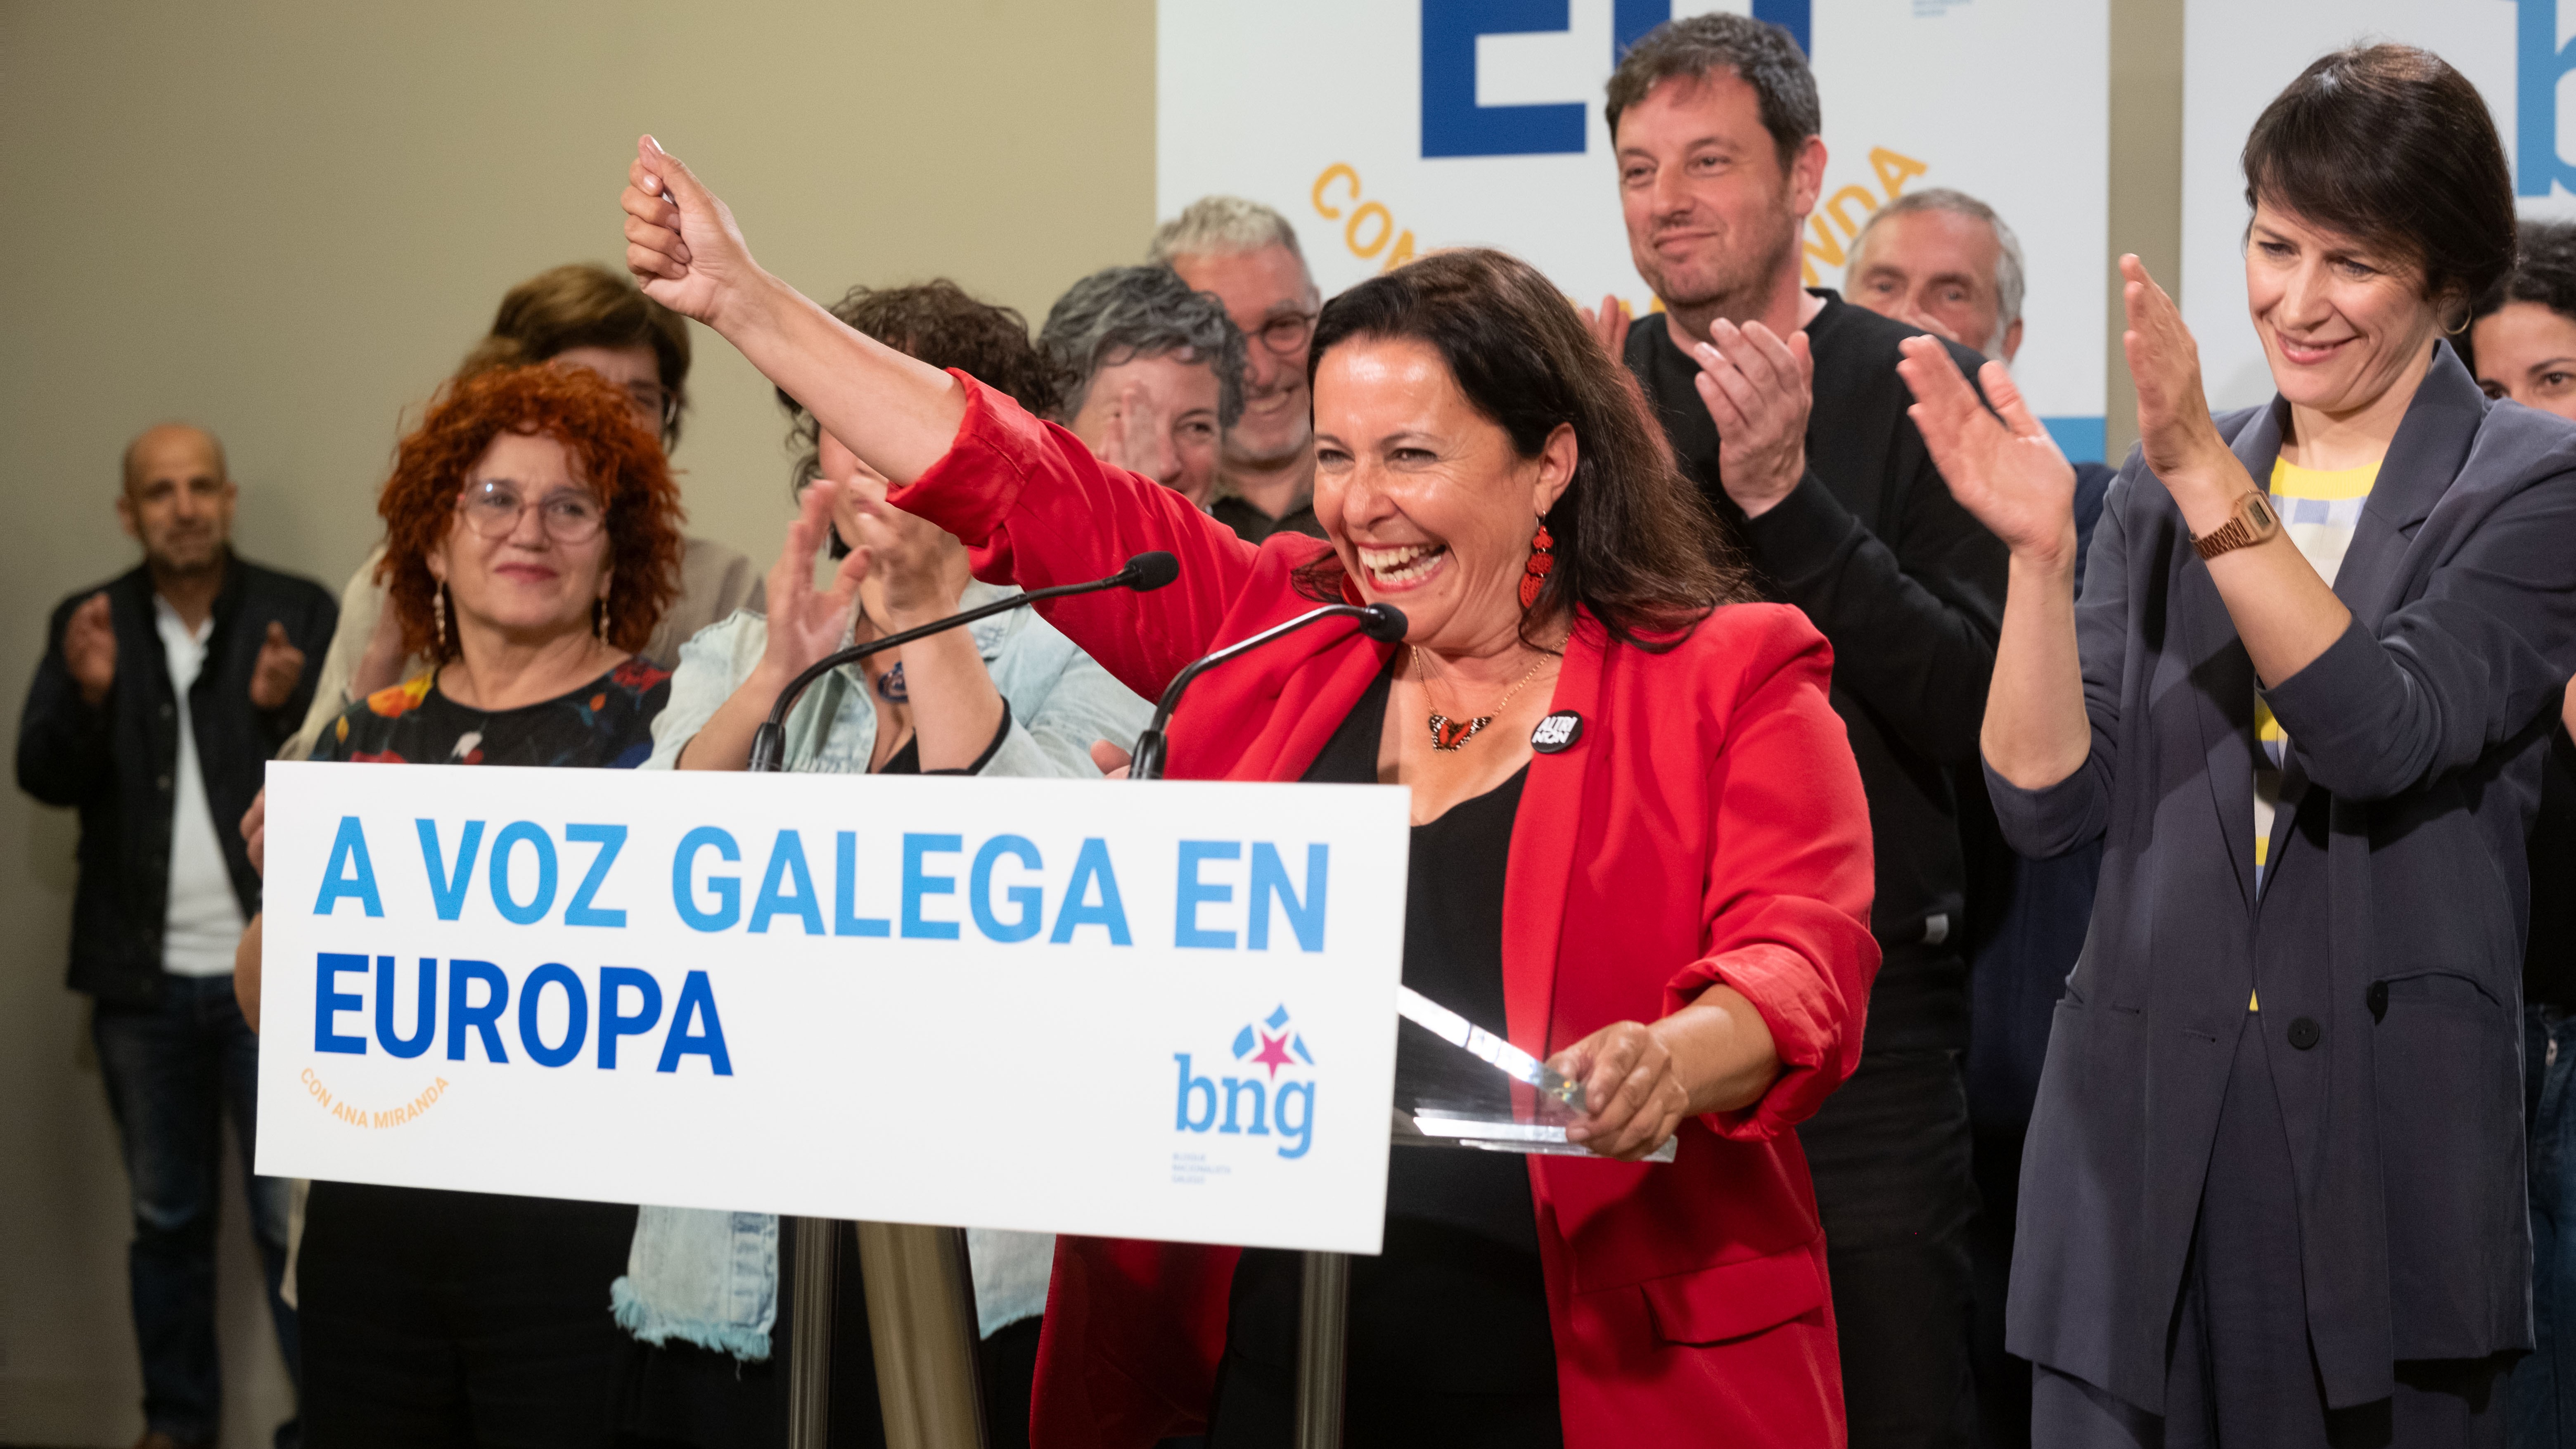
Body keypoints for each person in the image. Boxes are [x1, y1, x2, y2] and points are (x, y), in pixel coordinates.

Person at [622, 136, 1879, 1447]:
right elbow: (1016, 479)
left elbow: (1803, 964)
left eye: (1410, 456)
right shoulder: (1281, 631)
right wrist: (744, 301)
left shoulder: (1731, 673)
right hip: (1271, 1368)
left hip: (1592, 1374)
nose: (1359, 507)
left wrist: (1669, 1061)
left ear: (1549, 464)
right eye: (1335, 457)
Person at [1898, 43, 2576, 1444]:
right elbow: (2043, 803)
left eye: (2352, 261)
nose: (2293, 299)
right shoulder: (2153, 488)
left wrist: (2203, 472)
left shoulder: (2526, 482)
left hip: (2381, 1179)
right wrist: (2038, 558)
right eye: (2272, 245)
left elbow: (2378, 732)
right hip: (2129, 1154)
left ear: (2447, 283)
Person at [609, 279, 1151, 1449]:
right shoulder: (742, 647)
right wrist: (769, 683)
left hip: (984, 1243)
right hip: (745, 1226)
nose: (880, 469)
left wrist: (930, 617)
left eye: (911, 426)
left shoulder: (1087, 642)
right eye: (842, 424)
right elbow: (632, 877)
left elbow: (1048, 885)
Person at [1590, 16, 2005, 1445]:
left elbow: (1966, 704)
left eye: (1707, 161)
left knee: (1889, 1399)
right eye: (1639, 168)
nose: (1666, 201)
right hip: (1623, 1016)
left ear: (1802, 172)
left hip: (1868, 1028)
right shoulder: (1582, 399)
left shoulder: (1911, 389)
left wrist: (1784, 504)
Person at [273, 363, 684, 1446]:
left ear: (616, 544)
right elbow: (271, 1002)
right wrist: (295, 895)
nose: (528, 531)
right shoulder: (365, 730)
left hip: (575, 1252)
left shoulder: (670, 732)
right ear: (431, 536)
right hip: (369, 1243)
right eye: (493, 499)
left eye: (570, 504)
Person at [1844, 184, 2112, 1449]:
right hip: (1847, 1049)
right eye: (1882, 293)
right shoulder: (1761, 507)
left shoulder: (2095, 523)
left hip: (2028, 1065)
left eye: (1951, 297)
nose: (1912, 326)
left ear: (2008, 340)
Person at [15, 424, 333, 1449]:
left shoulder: (297, 613)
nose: (184, 506)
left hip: (272, 985)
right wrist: (89, 696)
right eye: (161, 491)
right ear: (130, 511)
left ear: (229, 499)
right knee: (166, 1223)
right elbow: (43, 776)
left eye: (201, 486)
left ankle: (321, 1426)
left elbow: (358, 770)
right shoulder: (90, 622)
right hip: (139, 989)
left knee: (294, 1227)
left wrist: (279, 714)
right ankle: (178, 1426)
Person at [281, 262, 758, 760]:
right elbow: (301, 810)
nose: (609, 415)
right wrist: (386, 654)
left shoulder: (719, 591)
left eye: (640, 399)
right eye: (497, 500)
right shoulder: (398, 584)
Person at [2462, 218, 2576, 1449]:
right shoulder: (2433, 566)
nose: (2526, 421)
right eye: (2494, 391)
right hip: (2467, 1051)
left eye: (2557, 382)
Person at [1150, 196, 1328, 542]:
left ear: (1319, 314)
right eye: (1222, 338)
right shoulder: (1148, 514)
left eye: (1283, 325)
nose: (1260, 373)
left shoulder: (1396, 495)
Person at [1035, 264, 1242, 511]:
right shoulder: (1011, 549)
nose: (1166, 466)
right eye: (1134, 422)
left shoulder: (1255, 549)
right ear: (1055, 432)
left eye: (1197, 427)